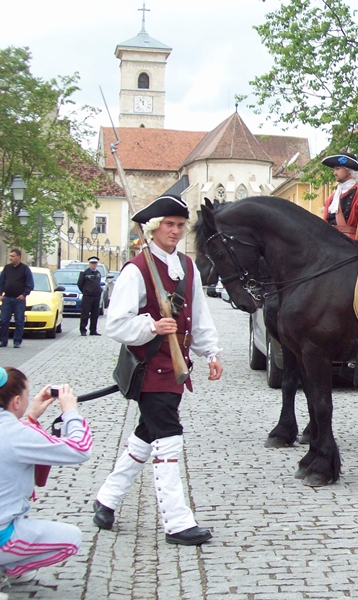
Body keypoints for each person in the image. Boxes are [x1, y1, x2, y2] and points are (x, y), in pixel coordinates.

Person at [92, 194, 224, 546]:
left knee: (146, 434)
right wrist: (152, 326)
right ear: (154, 228)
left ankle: (107, 498)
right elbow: (115, 324)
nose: (175, 231)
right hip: (149, 368)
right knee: (168, 437)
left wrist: (210, 351)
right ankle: (177, 522)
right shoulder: (137, 268)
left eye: (180, 226)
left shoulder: (188, 267)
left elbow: (198, 315)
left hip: (176, 368)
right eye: (169, 225)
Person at [0, 367, 93, 593]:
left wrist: (30, 416)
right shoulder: (15, 434)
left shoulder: (15, 431)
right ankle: (7, 567)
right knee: (71, 539)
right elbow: (80, 449)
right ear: (15, 402)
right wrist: (70, 412)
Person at [321, 152, 358, 239]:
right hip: (331, 241)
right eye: (334, 169)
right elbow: (325, 224)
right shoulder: (331, 198)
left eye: (338, 169)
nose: (334, 173)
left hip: (352, 242)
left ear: (349, 171)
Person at [0, 249, 34, 349]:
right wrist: (0, 294)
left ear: (19, 257)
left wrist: (24, 294)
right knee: (4, 320)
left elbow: (30, 284)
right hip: (7, 299)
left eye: (13, 256)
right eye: (10, 256)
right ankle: (3, 340)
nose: (10, 258)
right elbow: (1, 283)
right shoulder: (7, 268)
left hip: (19, 299)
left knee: (19, 321)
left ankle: (17, 341)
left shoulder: (25, 269)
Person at [77, 256, 103, 336]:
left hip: (96, 296)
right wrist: (86, 291)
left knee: (95, 314)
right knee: (85, 313)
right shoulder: (84, 272)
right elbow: (80, 284)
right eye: (92, 263)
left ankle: (93, 330)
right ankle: (83, 330)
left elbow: (98, 283)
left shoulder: (98, 273)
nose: (93, 265)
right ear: (89, 263)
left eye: (95, 263)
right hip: (87, 296)